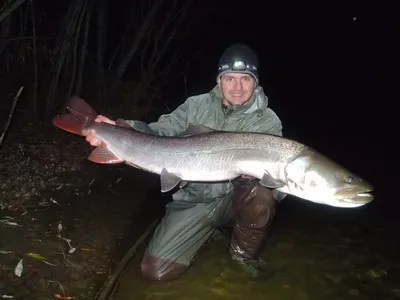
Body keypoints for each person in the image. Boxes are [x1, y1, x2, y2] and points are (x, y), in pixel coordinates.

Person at [86, 43, 284, 281]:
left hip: (233, 200)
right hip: (193, 200)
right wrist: (123, 131)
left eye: (245, 79)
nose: (238, 87)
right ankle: (206, 231)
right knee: (155, 272)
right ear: (219, 80)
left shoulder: (268, 122)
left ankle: (242, 255)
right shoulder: (196, 105)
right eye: (230, 78)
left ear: (256, 82)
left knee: (264, 193)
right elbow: (160, 131)